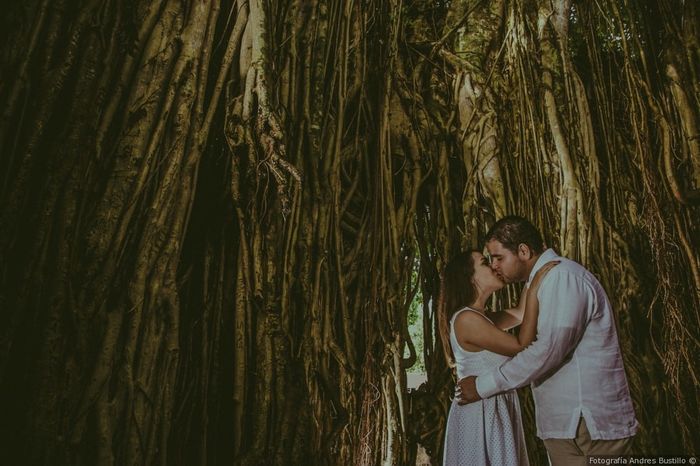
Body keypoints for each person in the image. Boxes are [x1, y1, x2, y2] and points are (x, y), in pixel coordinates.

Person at [456, 216, 639, 466]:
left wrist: (482, 386)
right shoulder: (541, 282)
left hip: (589, 424)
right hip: (565, 425)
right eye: (489, 261)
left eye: (499, 258)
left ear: (523, 250)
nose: (495, 265)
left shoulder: (562, 277)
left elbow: (547, 351)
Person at [440, 249, 558, 466]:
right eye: (485, 262)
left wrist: (532, 271)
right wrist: (533, 292)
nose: (494, 266)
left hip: (493, 407)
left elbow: (522, 314)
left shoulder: (482, 317)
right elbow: (520, 345)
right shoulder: (467, 319)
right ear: (470, 277)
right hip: (480, 414)